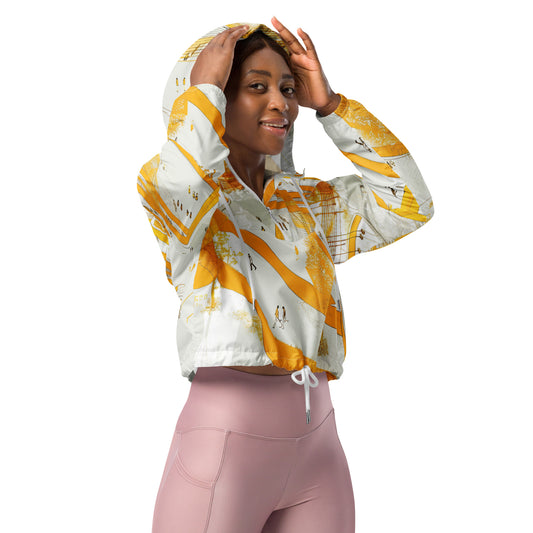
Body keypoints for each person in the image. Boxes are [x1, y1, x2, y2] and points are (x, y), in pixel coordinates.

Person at [137, 17, 434, 533]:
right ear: (214, 96)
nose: (281, 103)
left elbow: (409, 203)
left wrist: (332, 106)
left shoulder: (304, 204)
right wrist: (202, 91)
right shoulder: (179, 196)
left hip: (318, 444)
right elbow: (184, 180)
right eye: (257, 86)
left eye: (288, 89)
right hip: (224, 442)